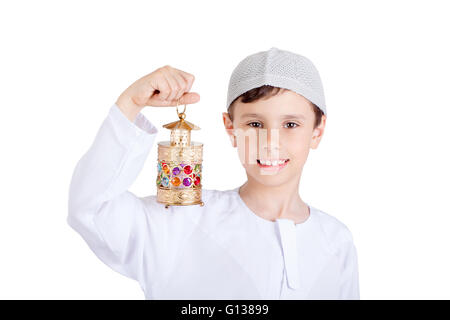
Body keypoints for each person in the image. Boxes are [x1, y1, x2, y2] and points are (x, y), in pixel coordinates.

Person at [67, 47, 360, 299]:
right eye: (255, 125)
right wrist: (130, 104)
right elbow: (91, 208)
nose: (271, 142)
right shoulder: (180, 221)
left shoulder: (336, 240)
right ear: (230, 128)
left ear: (317, 132)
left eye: (291, 125)